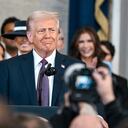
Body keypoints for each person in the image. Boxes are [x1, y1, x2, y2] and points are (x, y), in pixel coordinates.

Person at [0, 10, 82, 106]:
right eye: (41, 31)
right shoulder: (8, 68)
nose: (47, 36)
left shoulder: (76, 68)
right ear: (30, 36)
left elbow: (86, 106)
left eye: (52, 30)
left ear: (57, 34)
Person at [100, 40, 128, 108]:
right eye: (99, 54)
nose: (102, 57)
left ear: (111, 57)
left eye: (105, 54)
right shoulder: (88, 77)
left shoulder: (122, 82)